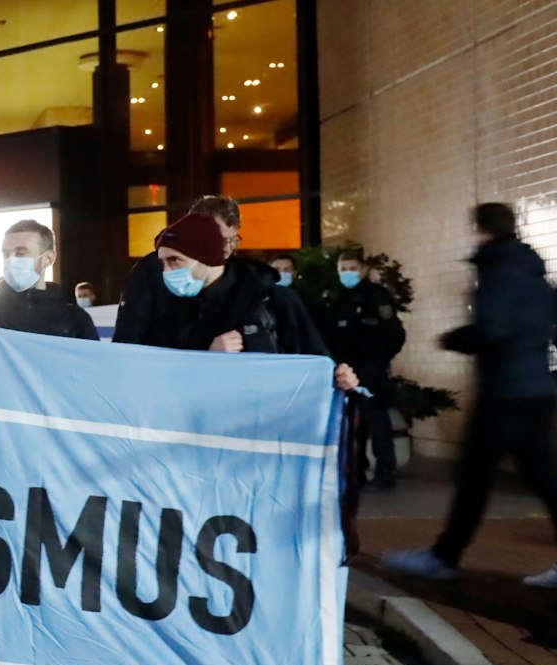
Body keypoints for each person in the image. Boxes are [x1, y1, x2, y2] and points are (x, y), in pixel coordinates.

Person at [383, 204, 557, 587]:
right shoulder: (533, 272)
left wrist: (452, 338)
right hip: (534, 388)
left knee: (476, 477)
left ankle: (444, 558)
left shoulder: (499, 271)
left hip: (505, 392)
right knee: (540, 477)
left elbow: (492, 329)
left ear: (482, 229)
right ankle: (444, 555)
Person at [140, 213, 358, 391]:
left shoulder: (274, 301)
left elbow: (318, 361)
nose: (167, 272)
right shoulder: (169, 309)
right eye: (163, 263)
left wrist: (340, 377)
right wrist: (207, 357)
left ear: (207, 256)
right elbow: (158, 380)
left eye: (174, 261)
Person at [115, 195, 272, 347]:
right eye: (218, 239)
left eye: (232, 241)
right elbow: (129, 336)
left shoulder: (245, 278)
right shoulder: (150, 271)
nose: (226, 249)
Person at [323, 247, 407, 491]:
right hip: (345, 371)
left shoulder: (377, 297)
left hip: (372, 370)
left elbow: (395, 334)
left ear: (363, 270)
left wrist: (379, 360)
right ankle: (355, 470)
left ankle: (385, 471)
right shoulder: (336, 299)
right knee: (350, 423)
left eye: (352, 269)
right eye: (343, 269)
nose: (348, 273)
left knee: (377, 421)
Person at [0, 220, 98, 341]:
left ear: (48, 258)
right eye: (6, 254)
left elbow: (92, 372)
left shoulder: (75, 320)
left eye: (20, 253)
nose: (11, 260)